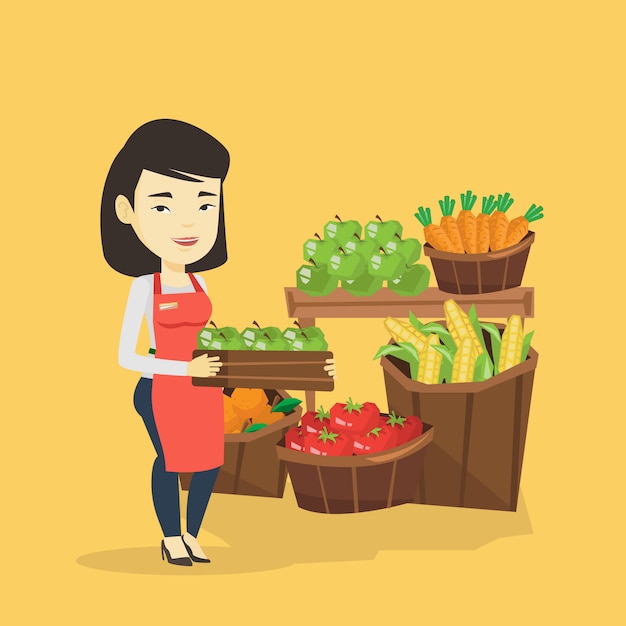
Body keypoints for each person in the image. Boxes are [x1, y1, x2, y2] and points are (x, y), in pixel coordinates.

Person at [100, 119, 231, 566]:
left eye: (204, 204)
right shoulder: (144, 286)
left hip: (204, 388)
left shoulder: (201, 281)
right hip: (161, 387)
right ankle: (170, 537)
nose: (187, 221)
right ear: (126, 211)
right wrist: (183, 370)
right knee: (171, 459)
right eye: (162, 206)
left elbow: (212, 337)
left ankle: (193, 534)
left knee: (210, 462)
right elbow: (126, 355)